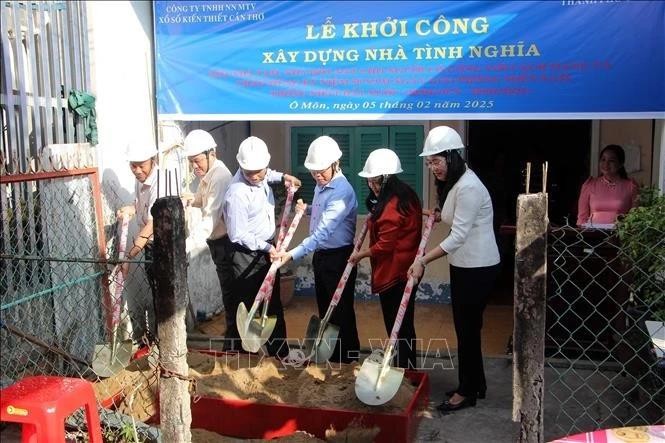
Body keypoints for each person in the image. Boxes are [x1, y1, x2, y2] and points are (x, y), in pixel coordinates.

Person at [407, 126, 500, 413]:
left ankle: (466, 392)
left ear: (453, 156)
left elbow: (458, 236)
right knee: (467, 329)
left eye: (436, 161)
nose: (432, 167)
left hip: (478, 266)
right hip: (464, 265)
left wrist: (422, 260)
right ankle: (476, 384)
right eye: (429, 162)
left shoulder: (469, 186)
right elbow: (452, 217)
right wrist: (434, 214)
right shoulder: (457, 183)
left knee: (467, 330)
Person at [276, 136, 360, 363]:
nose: (317, 176)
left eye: (321, 171)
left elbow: (324, 232)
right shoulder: (321, 185)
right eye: (313, 172)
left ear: (335, 164)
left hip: (339, 258)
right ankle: (331, 356)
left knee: (340, 311)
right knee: (326, 309)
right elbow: (322, 212)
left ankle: (347, 359)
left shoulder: (342, 192)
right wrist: (307, 209)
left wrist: (292, 254)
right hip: (322, 256)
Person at [221, 136, 301, 358]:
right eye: (250, 172)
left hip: (266, 249)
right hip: (246, 253)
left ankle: (279, 354)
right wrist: (267, 248)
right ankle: (246, 356)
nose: (256, 176)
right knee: (249, 305)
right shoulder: (236, 193)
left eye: (260, 171)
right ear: (241, 167)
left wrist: (284, 177)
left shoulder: (261, 175)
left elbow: (268, 175)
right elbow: (238, 234)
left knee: (272, 303)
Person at [348, 148, 422, 369]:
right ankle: (405, 366)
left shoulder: (391, 206)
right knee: (404, 323)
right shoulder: (407, 194)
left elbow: (384, 246)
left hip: (396, 272)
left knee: (397, 323)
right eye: (370, 181)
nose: (371, 185)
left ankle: (404, 369)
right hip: (406, 267)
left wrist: (358, 255)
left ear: (386, 179)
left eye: (374, 181)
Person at [181, 129, 233, 312]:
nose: (194, 166)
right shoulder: (210, 175)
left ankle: (233, 339)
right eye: (191, 162)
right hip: (218, 242)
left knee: (230, 294)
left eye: (197, 161)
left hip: (226, 244)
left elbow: (209, 220)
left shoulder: (219, 177)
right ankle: (232, 336)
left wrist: (184, 247)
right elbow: (203, 199)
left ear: (212, 154)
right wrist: (189, 200)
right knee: (229, 293)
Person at [117, 143, 160, 323]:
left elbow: (152, 222)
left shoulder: (160, 182)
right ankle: (158, 340)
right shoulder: (140, 179)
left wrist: (129, 255)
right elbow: (142, 205)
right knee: (156, 293)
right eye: (133, 165)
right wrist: (131, 209)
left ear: (153, 161)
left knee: (163, 296)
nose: (137, 170)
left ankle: (166, 342)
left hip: (163, 246)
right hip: (150, 245)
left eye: (141, 165)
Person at [576, 144, 638, 227]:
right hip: (592, 235)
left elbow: (636, 217)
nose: (606, 164)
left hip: (619, 235)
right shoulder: (589, 185)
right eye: (603, 160)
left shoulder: (631, 186)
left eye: (611, 160)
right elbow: (582, 218)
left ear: (621, 164)